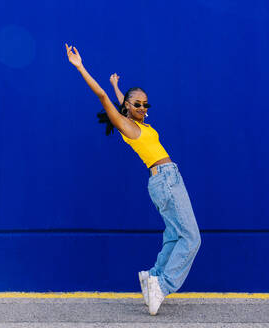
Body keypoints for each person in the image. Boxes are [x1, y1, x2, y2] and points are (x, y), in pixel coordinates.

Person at [65, 43, 201, 316]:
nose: (142, 107)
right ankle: (161, 285)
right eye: (136, 104)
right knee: (192, 239)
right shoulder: (127, 125)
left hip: (165, 180)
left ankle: (152, 276)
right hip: (166, 180)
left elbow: (118, 99)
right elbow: (105, 97)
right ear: (128, 107)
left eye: (145, 103)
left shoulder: (137, 121)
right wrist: (80, 67)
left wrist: (117, 85)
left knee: (175, 236)